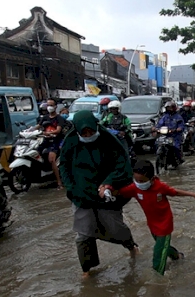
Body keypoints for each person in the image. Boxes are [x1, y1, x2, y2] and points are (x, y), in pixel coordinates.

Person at [59, 110, 138, 278]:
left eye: (91, 131)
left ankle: (131, 246)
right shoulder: (71, 142)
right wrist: (71, 187)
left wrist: (108, 182)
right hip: (81, 194)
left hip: (107, 193)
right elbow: (64, 166)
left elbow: (122, 165)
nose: (88, 135)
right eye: (84, 132)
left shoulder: (109, 140)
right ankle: (86, 270)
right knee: (83, 234)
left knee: (115, 228)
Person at [117, 160, 195, 275]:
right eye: (136, 180)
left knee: (158, 253)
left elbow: (175, 192)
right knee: (162, 246)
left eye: (141, 181)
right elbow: (119, 192)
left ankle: (158, 276)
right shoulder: (134, 188)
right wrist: (105, 189)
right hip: (152, 225)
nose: (138, 183)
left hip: (165, 225)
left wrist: (193, 195)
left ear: (152, 179)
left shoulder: (160, 187)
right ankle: (177, 256)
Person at [34, 99, 69, 189]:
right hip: (45, 140)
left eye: (51, 105)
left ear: (55, 106)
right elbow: (38, 126)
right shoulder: (45, 117)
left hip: (55, 141)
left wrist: (48, 133)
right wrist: (27, 131)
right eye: (48, 105)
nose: (49, 107)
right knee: (34, 152)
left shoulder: (59, 118)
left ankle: (59, 182)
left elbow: (58, 130)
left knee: (51, 159)